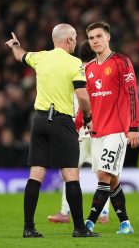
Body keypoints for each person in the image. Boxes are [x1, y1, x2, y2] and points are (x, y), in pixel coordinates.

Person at [5, 24, 99, 238]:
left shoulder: (40, 57)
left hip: (39, 120)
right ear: (68, 40)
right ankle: (79, 228)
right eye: (74, 38)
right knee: (71, 175)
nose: (76, 42)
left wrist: (15, 45)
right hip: (61, 121)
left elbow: (20, 55)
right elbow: (83, 96)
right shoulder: (74, 62)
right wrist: (87, 117)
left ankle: (28, 228)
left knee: (36, 175)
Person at [83, 21, 139, 235]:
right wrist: (80, 123)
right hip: (97, 132)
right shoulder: (88, 68)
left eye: (99, 36)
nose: (95, 41)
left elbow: (133, 94)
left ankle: (88, 223)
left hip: (117, 130)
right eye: (91, 38)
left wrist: (134, 126)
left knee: (103, 176)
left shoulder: (121, 61)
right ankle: (125, 223)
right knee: (112, 178)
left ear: (108, 37)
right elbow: (85, 101)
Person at [48, 40, 110, 224]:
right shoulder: (100, 70)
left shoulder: (75, 69)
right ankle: (103, 214)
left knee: (70, 171)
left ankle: (65, 213)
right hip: (99, 128)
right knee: (103, 172)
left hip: (79, 129)